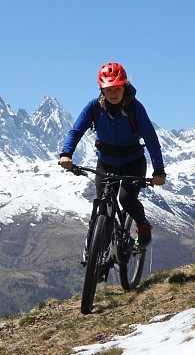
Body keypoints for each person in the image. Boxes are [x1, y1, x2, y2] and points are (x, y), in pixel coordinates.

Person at [60, 62, 166, 248]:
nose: (113, 93)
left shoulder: (135, 108)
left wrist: (159, 170)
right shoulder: (94, 107)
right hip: (106, 162)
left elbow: (151, 140)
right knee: (101, 207)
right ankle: (99, 253)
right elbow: (76, 131)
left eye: (117, 88)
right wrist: (66, 154)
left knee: (126, 199)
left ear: (124, 86)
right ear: (101, 89)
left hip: (133, 162)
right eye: (108, 90)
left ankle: (143, 226)